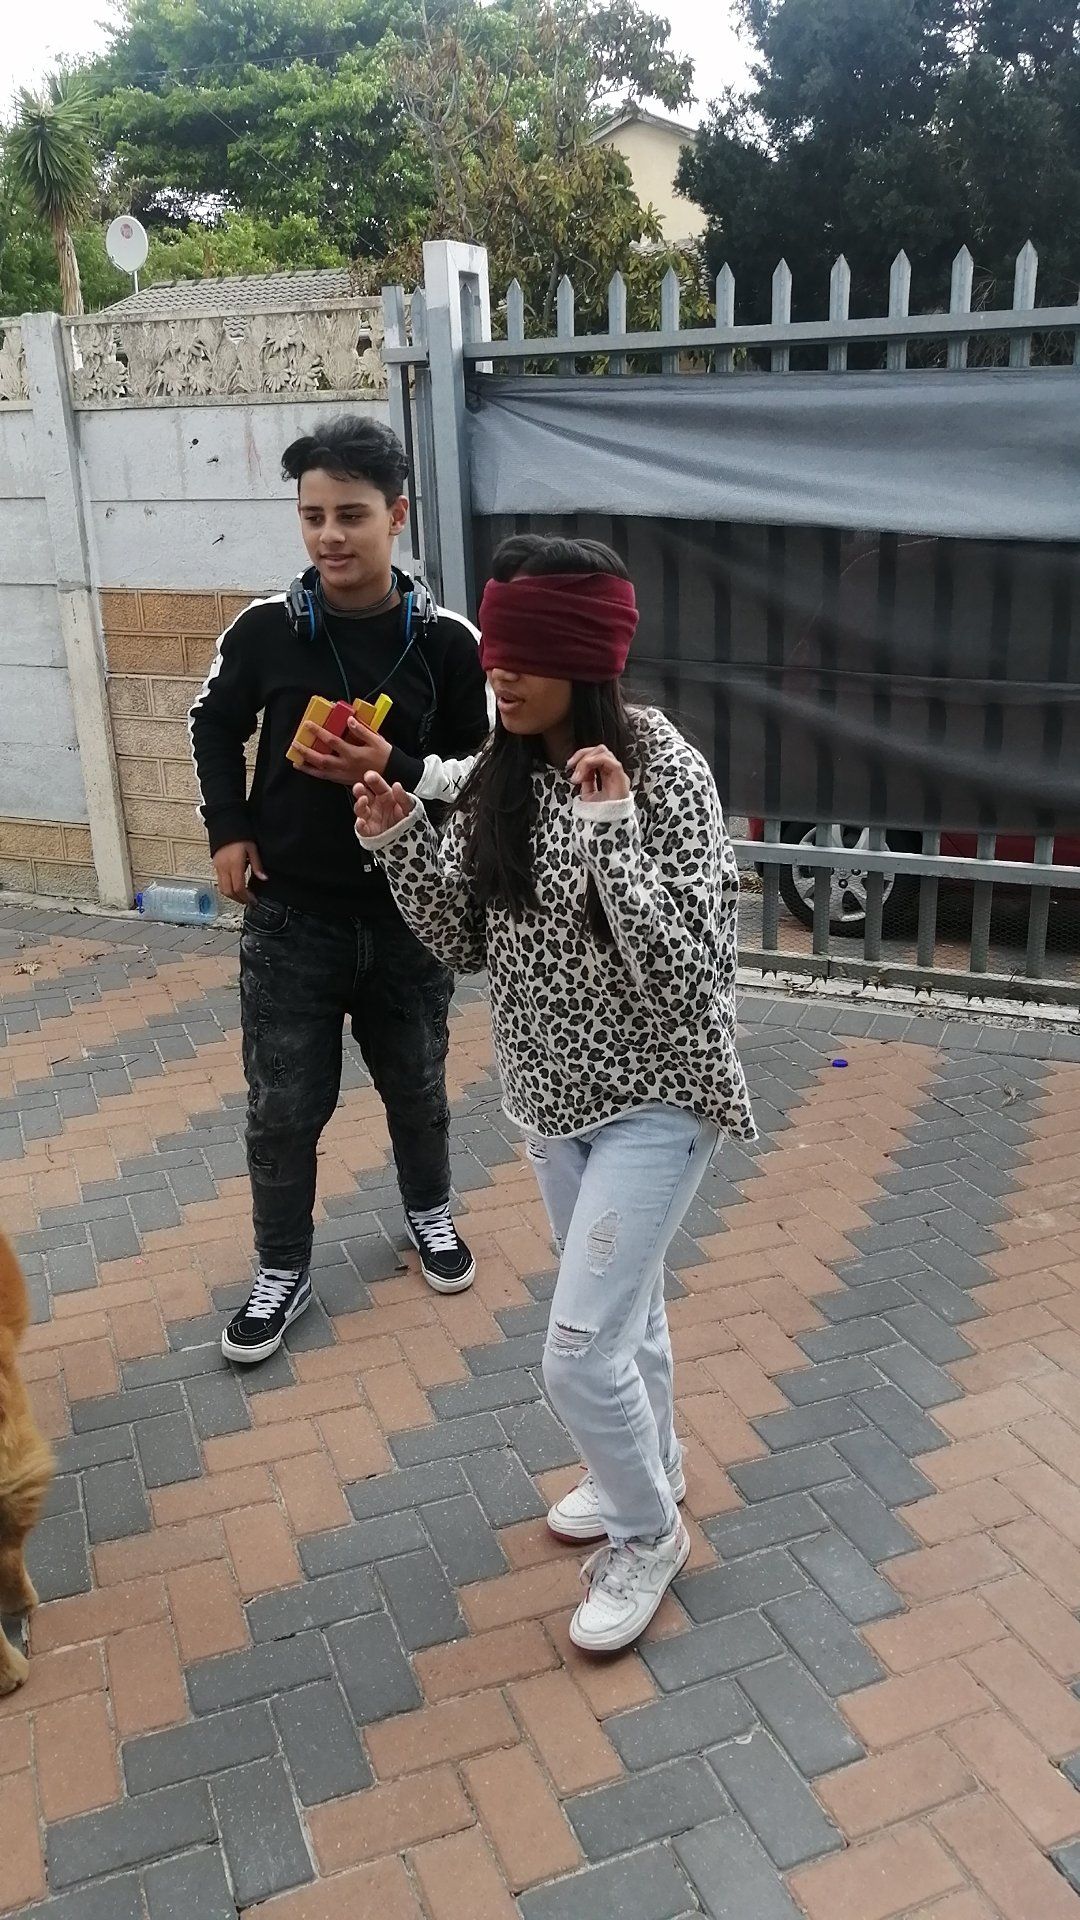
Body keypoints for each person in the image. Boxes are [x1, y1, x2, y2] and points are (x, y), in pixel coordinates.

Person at [353, 533, 756, 1653]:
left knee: (578, 1351)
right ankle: (656, 1470)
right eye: (498, 653)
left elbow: (690, 977)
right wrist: (398, 843)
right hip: (548, 1101)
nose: (501, 674)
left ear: (590, 658)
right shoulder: (504, 767)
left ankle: (647, 1531)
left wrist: (612, 832)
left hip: (658, 1098)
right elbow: (468, 943)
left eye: (526, 658)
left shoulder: (665, 772)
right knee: (633, 1321)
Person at [190, 415, 490, 1365]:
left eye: (351, 515)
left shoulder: (446, 641)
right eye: (313, 515)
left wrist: (393, 761)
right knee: (283, 1105)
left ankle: (430, 1215)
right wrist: (229, 829)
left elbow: (486, 768)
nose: (329, 536)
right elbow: (211, 723)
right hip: (291, 919)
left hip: (411, 913)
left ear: (396, 516)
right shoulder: (267, 630)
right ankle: (282, 1268)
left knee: (418, 1086)